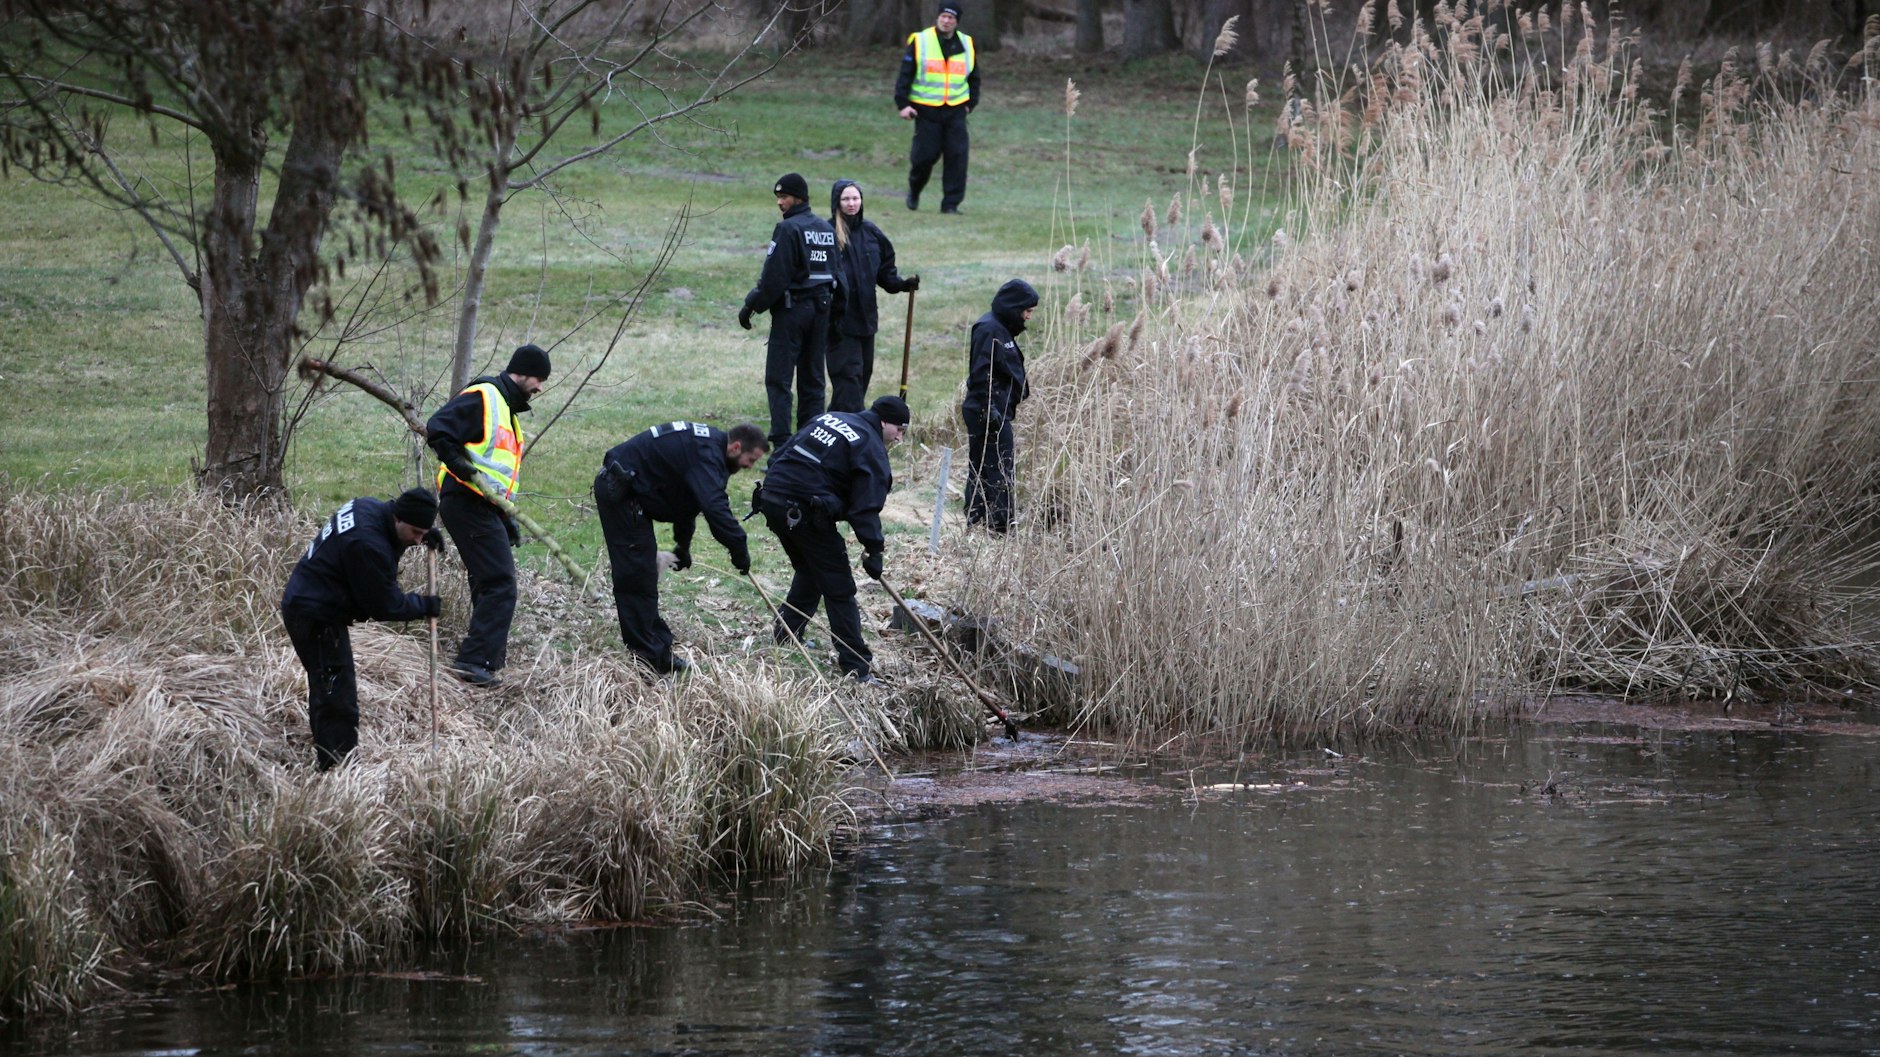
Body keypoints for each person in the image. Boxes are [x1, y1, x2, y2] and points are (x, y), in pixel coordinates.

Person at [280, 489, 444, 771]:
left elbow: (387, 542)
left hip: (309, 598)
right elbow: (386, 605)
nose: (418, 540)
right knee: (335, 695)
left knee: (331, 685)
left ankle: (334, 759)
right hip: (315, 616)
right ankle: (337, 768)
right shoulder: (367, 544)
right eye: (415, 532)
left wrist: (420, 536)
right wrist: (424, 606)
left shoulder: (367, 507)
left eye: (423, 533)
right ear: (398, 518)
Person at [595, 421, 769, 675]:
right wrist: (739, 548)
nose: (749, 467)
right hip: (620, 488)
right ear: (736, 447)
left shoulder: (708, 450)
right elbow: (714, 507)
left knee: (642, 574)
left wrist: (683, 546)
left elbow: (687, 502)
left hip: (632, 488)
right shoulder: (707, 455)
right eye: (750, 459)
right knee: (636, 576)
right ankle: (648, 660)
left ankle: (657, 649)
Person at [758, 395, 910, 683]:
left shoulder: (831, 418)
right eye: (899, 430)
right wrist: (874, 550)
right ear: (883, 421)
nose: (899, 438)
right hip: (802, 508)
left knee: (811, 570)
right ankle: (857, 668)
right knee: (839, 586)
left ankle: (786, 634)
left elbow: (780, 455)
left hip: (772, 498)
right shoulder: (871, 447)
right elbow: (865, 506)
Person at [425, 343, 551, 688]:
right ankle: (473, 662)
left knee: (487, 581)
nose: (540, 387)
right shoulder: (485, 396)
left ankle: (486, 661)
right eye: (539, 379)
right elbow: (437, 427)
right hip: (465, 500)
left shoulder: (506, 410)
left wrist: (505, 517)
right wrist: (458, 465)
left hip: (481, 505)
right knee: (500, 583)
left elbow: (493, 475)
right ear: (522, 372)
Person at [739, 172, 838, 450]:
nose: (779, 203)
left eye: (783, 197)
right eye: (778, 197)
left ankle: (782, 445)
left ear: (799, 198)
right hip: (821, 311)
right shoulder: (826, 230)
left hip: (792, 312)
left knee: (779, 379)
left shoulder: (788, 230)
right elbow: (837, 275)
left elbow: (774, 278)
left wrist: (751, 305)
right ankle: (812, 443)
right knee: (813, 379)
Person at [827, 180, 919, 413]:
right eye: (846, 199)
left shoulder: (871, 233)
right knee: (849, 379)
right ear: (837, 202)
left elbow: (885, 271)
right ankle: (854, 430)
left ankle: (833, 426)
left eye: (855, 198)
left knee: (862, 376)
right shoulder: (827, 233)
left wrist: (902, 284)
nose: (851, 203)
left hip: (866, 321)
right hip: (838, 323)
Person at [961, 279, 1038, 534]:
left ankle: (982, 520)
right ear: (1014, 307)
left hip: (997, 409)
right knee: (995, 467)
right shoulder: (988, 329)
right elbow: (981, 371)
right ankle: (996, 524)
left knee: (997, 465)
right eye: (1027, 310)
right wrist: (989, 408)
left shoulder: (1001, 328)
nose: (1028, 317)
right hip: (987, 411)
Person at [895, 2, 978, 214]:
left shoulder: (967, 43)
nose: (946, 21)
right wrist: (903, 104)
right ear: (938, 17)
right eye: (943, 16)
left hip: (956, 109)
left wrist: (970, 103)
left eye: (951, 18)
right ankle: (915, 189)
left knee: (957, 158)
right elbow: (906, 74)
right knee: (925, 157)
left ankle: (950, 204)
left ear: (957, 22)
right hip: (926, 110)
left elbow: (974, 76)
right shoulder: (920, 40)